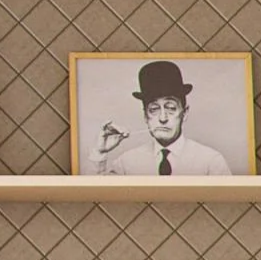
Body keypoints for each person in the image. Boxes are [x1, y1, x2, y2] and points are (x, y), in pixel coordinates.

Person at [94, 60, 233, 176]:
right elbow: (99, 196)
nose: (162, 118)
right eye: (154, 109)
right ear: (145, 116)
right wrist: (100, 153)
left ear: (184, 113)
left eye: (171, 108)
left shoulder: (211, 162)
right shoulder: (125, 164)